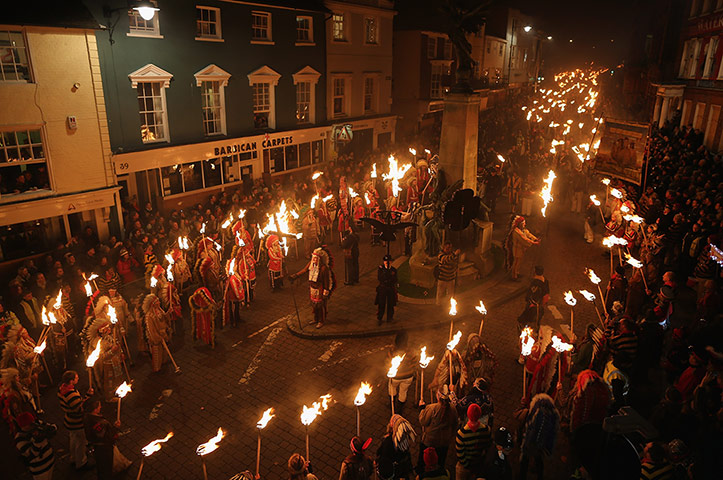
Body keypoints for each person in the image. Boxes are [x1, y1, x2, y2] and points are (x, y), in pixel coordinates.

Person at [84, 398, 131, 479]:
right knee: (106, 467)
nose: (100, 407)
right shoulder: (98, 423)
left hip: (98, 447)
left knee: (101, 466)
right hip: (103, 449)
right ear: (95, 410)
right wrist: (115, 428)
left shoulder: (87, 417)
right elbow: (105, 437)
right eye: (99, 406)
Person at [290, 247, 335, 329]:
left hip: (320, 289)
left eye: (315, 258)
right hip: (312, 288)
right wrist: (295, 276)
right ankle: (316, 319)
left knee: (320, 305)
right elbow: (304, 270)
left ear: (319, 259)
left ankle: (321, 321)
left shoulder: (323, 269)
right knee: (314, 305)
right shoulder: (311, 264)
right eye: (313, 258)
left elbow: (326, 281)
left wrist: (326, 292)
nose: (313, 260)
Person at [417, 386, 458, 475]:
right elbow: (455, 424)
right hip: (444, 442)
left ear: (438, 396)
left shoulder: (432, 408)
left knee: (424, 461)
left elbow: (423, 421)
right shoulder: (453, 409)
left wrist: (421, 409)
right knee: (440, 460)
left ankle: (422, 475)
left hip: (430, 442)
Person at [57, 370, 92, 471]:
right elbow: (79, 408)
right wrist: (88, 397)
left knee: (73, 440)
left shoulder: (61, 389)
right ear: (71, 381)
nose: (78, 379)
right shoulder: (71, 394)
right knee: (80, 443)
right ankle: (81, 463)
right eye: (76, 378)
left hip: (69, 420)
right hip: (76, 422)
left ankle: (73, 458)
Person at [519, 393, 559, 480]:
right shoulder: (549, 412)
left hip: (533, 442)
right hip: (539, 443)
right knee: (538, 460)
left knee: (526, 460)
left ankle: (523, 476)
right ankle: (539, 475)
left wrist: (531, 444)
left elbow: (533, 429)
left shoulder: (541, 414)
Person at [14, 411, 55, 480]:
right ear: (24, 426)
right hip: (40, 469)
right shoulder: (19, 438)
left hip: (50, 463)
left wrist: (51, 429)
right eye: (30, 424)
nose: (33, 425)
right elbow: (33, 453)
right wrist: (38, 440)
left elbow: (52, 427)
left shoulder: (36, 424)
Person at [455, 403, 491, 480]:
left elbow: (460, 454)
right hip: (478, 462)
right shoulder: (486, 430)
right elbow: (487, 446)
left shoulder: (461, 434)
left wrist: (467, 465)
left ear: (468, 415)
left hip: (465, 465)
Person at [376, 414, 416, 480]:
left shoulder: (388, 441)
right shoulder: (404, 438)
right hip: (402, 469)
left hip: (392, 471)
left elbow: (381, 454)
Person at [386, 331, 417, 413]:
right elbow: (414, 362)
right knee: (403, 392)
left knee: (392, 388)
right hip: (408, 376)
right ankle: (399, 410)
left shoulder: (392, 351)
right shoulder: (410, 351)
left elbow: (387, 362)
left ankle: (392, 404)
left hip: (396, 377)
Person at [503, 216, 539, 281]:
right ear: (520, 224)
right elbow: (524, 239)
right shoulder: (516, 232)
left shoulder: (522, 230)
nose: (525, 224)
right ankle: (514, 276)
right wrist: (533, 243)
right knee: (516, 263)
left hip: (520, 250)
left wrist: (535, 239)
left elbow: (528, 234)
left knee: (519, 262)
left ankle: (517, 273)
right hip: (517, 250)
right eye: (523, 223)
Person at [516, 266, 550, 333]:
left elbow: (530, 293)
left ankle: (524, 328)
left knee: (527, 316)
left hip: (533, 303)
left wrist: (528, 299)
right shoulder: (545, 281)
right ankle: (536, 329)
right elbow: (547, 293)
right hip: (540, 304)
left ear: (535, 272)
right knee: (537, 318)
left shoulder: (534, 282)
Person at [142, 294, 170, 372]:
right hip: (156, 337)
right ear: (153, 304)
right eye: (157, 302)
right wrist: (157, 337)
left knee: (164, 350)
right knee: (157, 353)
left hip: (163, 334)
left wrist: (168, 313)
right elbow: (151, 330)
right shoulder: (149, 316)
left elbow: (164, 318)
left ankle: (164, 362)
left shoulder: (159, 310)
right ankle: (157, 368)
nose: (159, 303)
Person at [223, 258, 245, 328]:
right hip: (233, 297)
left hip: (237, 296)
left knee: (237, 309)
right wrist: (239, 298)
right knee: (233, 310)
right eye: (235, 265)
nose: (236, 266)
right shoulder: (232, 278)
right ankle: (233, 322)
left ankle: (238, 319)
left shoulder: (235, 274)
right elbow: (235, 288)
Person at [376, 254, 398, 325]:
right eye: (385, 261)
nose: (386, 262)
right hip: (383, 288)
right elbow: (380, 278)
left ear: (391, 262)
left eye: (388, 261)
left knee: (390, 304)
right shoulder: (381, 269)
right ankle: (380, 317)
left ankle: (390, 318)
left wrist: (390, 277)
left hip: (390, 288)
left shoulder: (394, 270)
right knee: (381, 303)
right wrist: (386, 274)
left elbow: (395, 279)